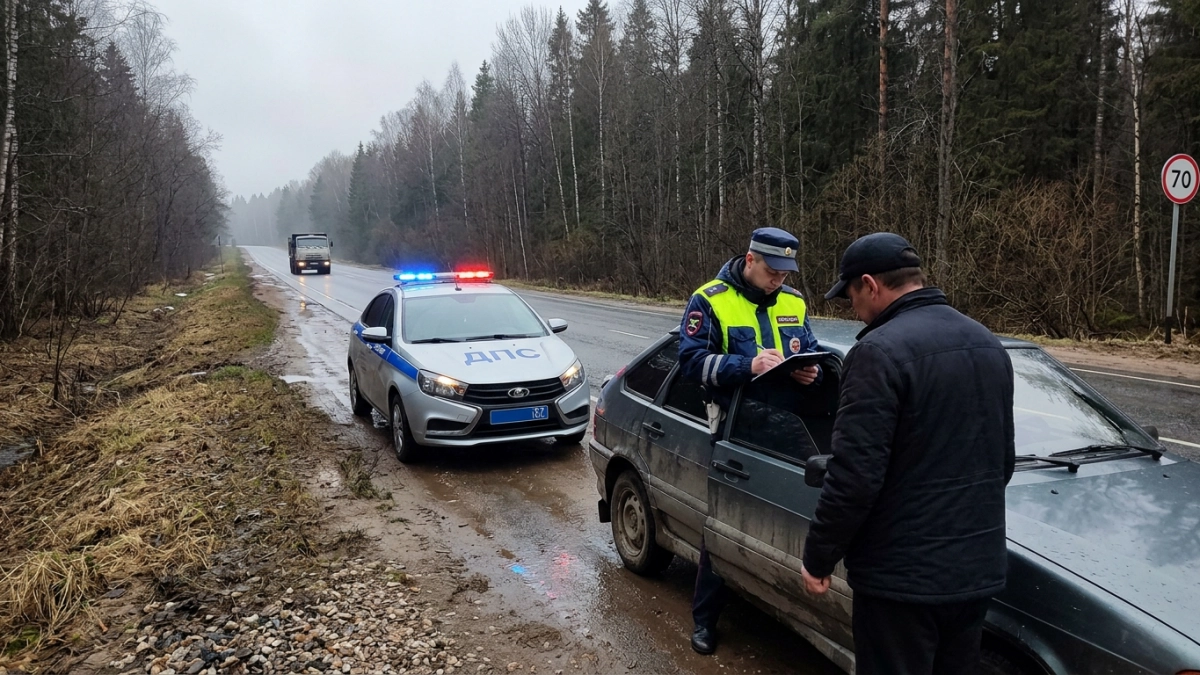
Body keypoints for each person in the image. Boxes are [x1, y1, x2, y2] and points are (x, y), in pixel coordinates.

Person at [801, 232, 1015, 675]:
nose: (853, 308)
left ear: (870, 284)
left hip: (900, 583)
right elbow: (1002, 462)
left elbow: (855, 476)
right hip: (975, 571)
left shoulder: (877, 353)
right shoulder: (987, 343)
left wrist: (818, 557)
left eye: (851, 296)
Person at [678, 226, 822, 655]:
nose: (778, 279)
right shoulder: (710, 299)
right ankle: (705, 619)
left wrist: (810, 372)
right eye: (772, 271)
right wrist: (749, 366)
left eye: (785, 272)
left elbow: (809, 347)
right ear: (750, 260)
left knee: (796, 515)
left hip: (786, 425)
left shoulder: (794, 301)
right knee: (725, 520)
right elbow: (691, 364)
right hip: (736, 427)